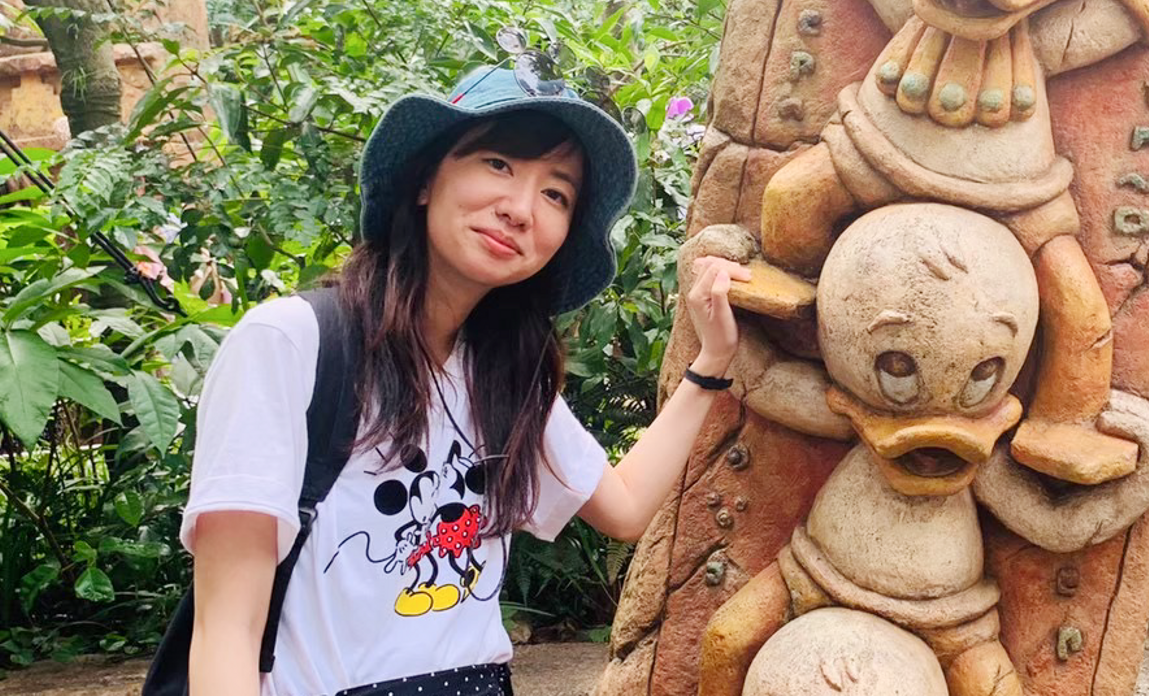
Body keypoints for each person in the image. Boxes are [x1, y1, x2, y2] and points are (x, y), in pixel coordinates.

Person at [181, 64, 749, 696]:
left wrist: (712, 359)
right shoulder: (291, 344)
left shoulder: (500, 374)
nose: (520, 209)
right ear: (426, 179)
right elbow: (226, 629)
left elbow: (625, 508)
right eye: (498, 164)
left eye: (556, 195)